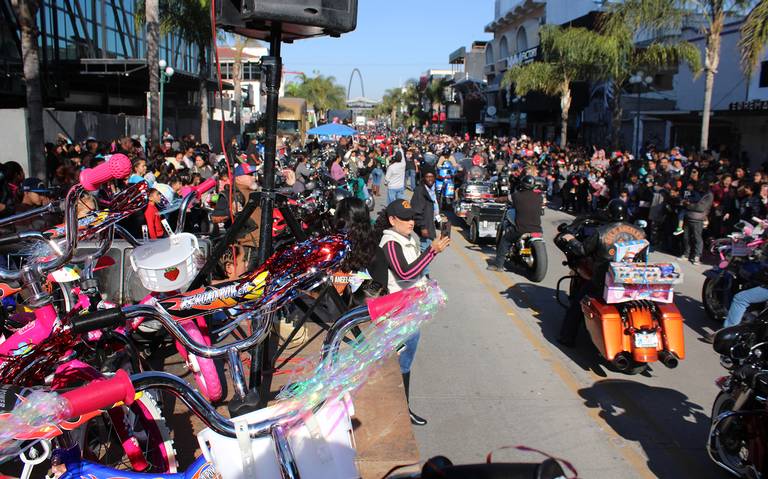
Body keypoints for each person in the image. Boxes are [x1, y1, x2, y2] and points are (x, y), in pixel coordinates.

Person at [376, 199, 450, 425]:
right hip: (398, 312)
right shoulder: (390, 242)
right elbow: (405, 274)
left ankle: (401, 409)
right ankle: (398, 412)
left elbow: (416, 273)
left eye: (412, 218)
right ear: (392, 220)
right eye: (405, 219)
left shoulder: (409, 238)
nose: (410, 222)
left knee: (404, 363)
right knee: (399, 364)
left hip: (410, 309)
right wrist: (432, 252)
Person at [557, 199, 645, 347]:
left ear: (610, 214)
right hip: (632, 280)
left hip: (604, 280)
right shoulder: (640, 232)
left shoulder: (601, 232)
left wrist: (571, 239)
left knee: (577, 304)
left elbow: (582, 250)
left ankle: (567, 338)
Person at [488, 175, 543, 271]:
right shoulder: (539, 197)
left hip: (521, 229)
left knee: (505, 240)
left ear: (522, 184)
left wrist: (495, 199)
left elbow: (504, 199)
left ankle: (498, 265)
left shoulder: (516, 196)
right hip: (537, 229)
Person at [410, 166, 440, 275]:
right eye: (427, 177)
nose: (430, 179)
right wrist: (422, 227)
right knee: (425, 251)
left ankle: (424, 273)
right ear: (424, 178)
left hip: (429, 223)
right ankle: (424, 275)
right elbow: (416, 211)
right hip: (424, 226)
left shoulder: (432, 189)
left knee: (429, 250)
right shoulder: (420, 191)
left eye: (432, 176)